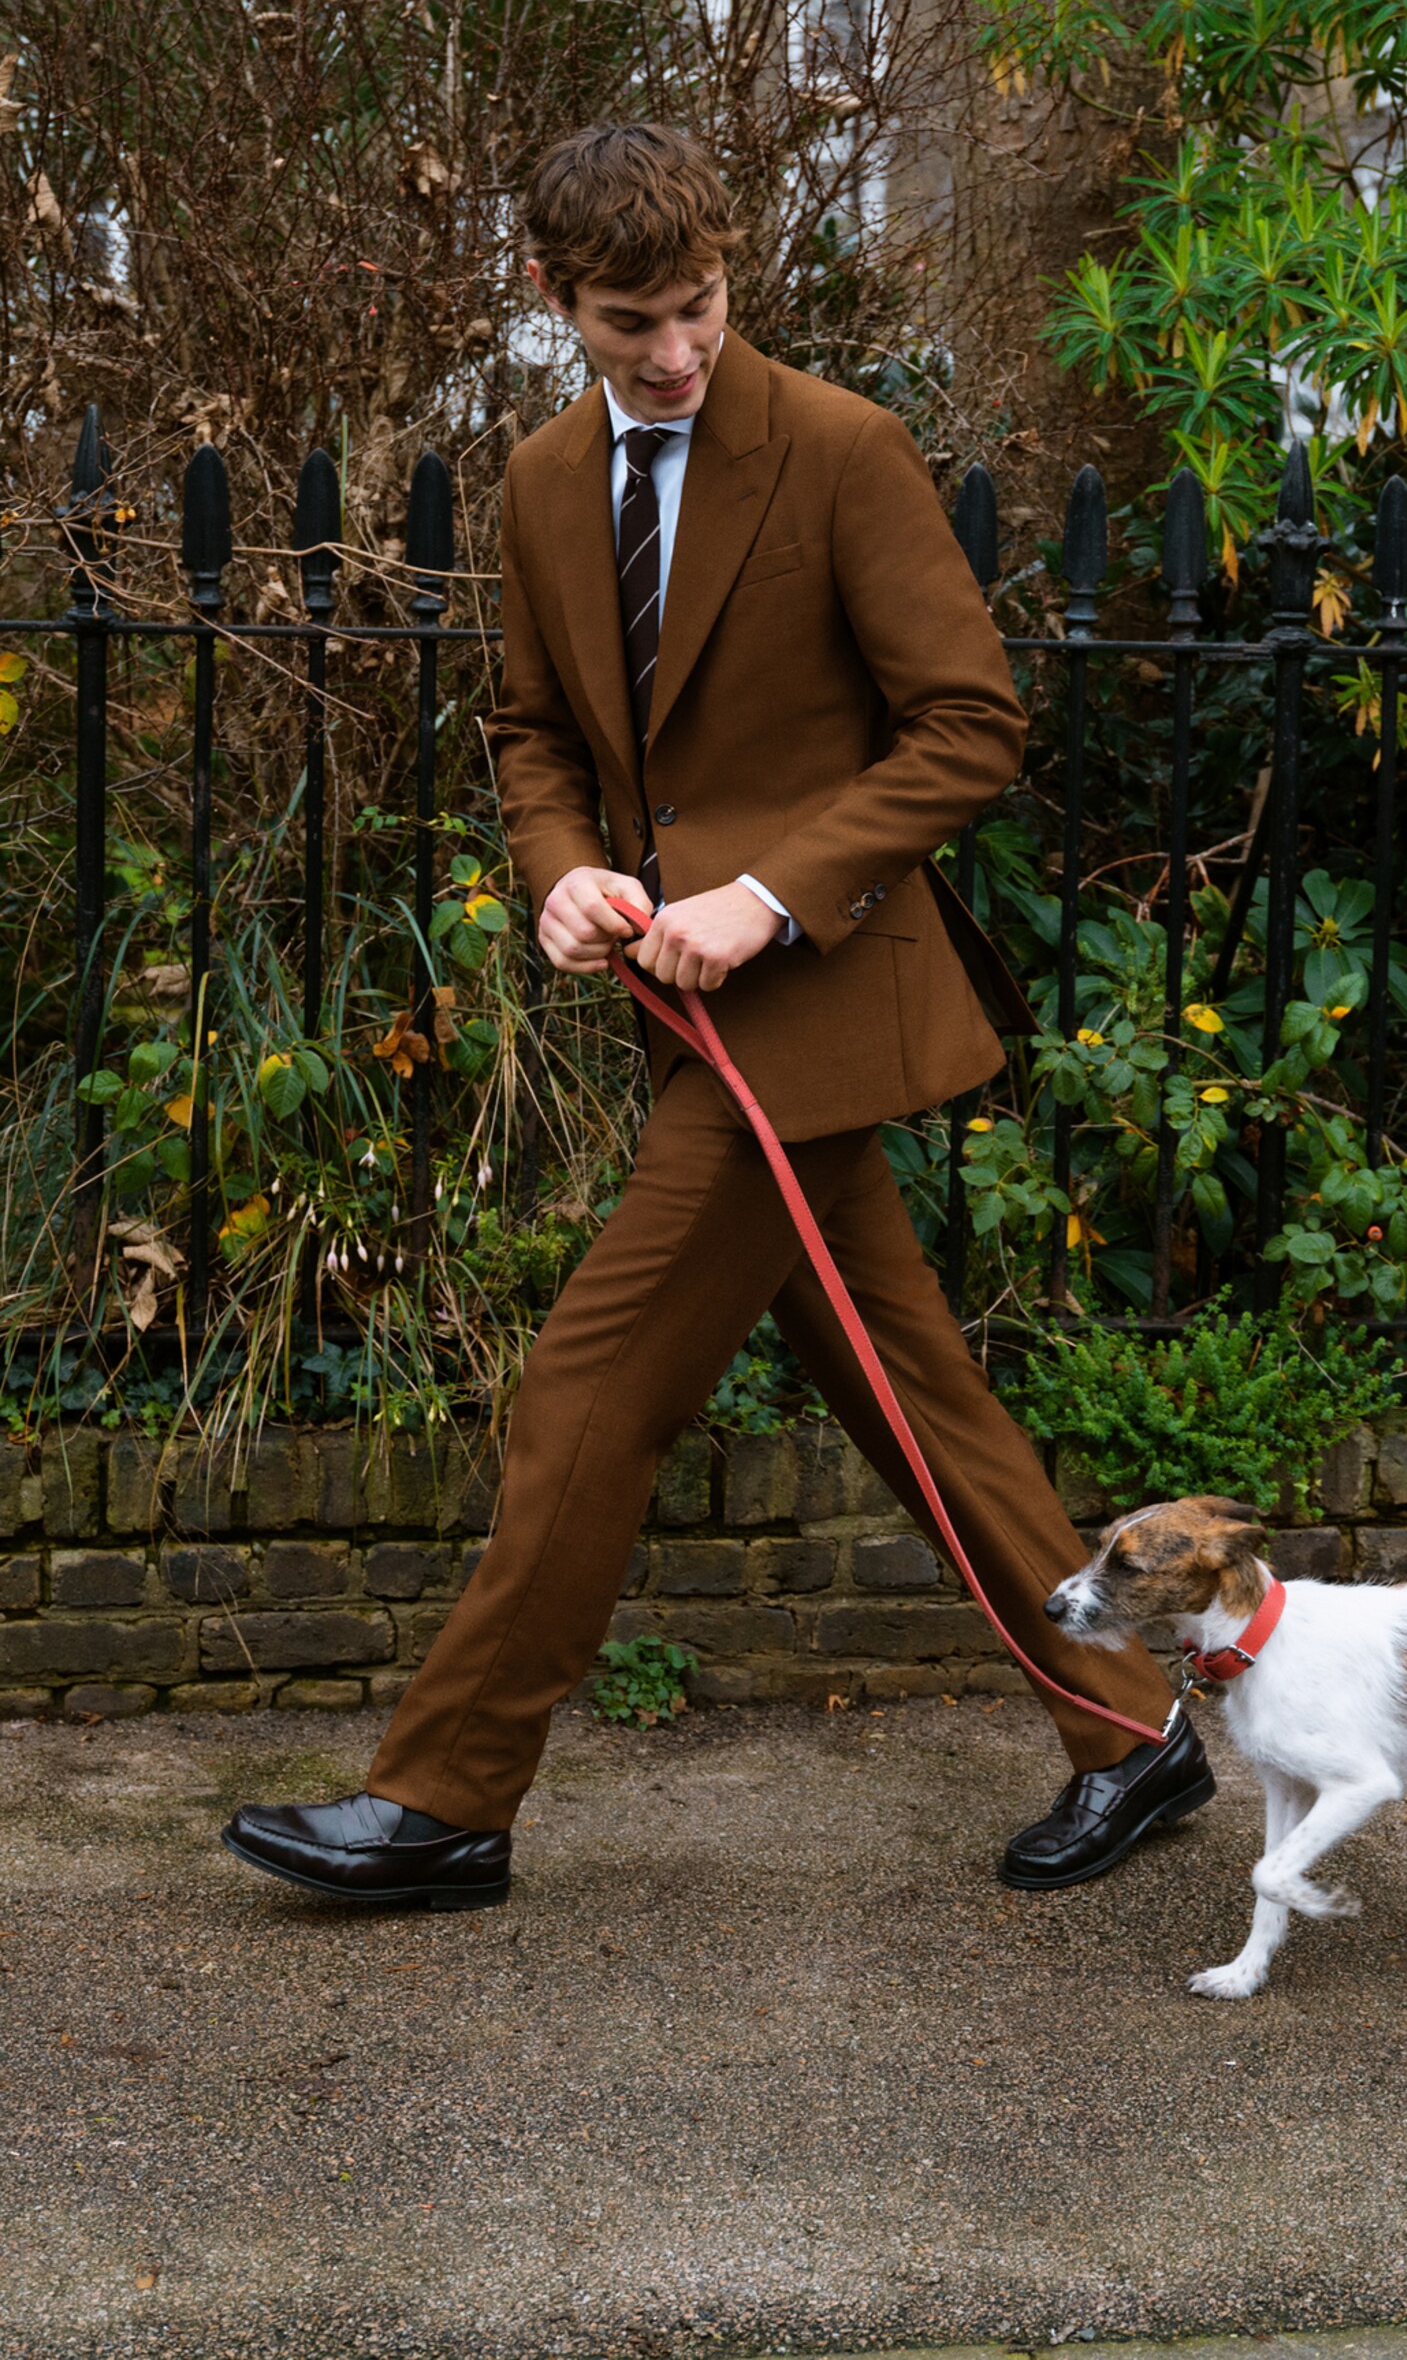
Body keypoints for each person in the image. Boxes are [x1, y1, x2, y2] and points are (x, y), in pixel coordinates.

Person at [221, 122, 1212, 1911]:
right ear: (553, 301)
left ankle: (447, 1800)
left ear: (726, 274)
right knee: (913, 1390)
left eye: (698, 309)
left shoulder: (839, 450)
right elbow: (535, 734)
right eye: (631, 324)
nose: (675, 352)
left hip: (820, 1002)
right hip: (682, 1017)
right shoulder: (536, 481)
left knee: (583, 1389)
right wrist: (562, 874)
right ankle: (1136, 1731)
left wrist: (766, 895)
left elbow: (970, 723)